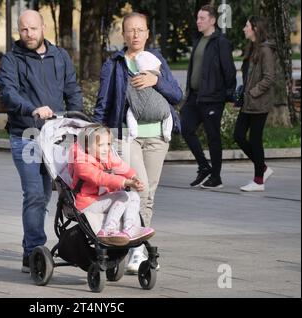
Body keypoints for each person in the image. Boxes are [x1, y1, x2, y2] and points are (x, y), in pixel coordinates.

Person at [93, 12, 182, 274]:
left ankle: (136, 247)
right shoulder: (114, 64)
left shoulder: (156, 60)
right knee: (139, 188)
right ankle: (129, 244)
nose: (135, 35)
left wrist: (157, 81)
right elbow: (104, 102)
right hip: (126, 135)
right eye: (130, 30)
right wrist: (94, 134)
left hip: (157, 136)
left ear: (147, 34)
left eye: (140, 30)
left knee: (149, 194)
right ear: (123, 34)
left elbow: (177, 95)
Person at [0, 10, 82, 273]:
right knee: (35, 194)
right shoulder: (12, 59)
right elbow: (8, 93)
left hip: (56, 135)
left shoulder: (60, 56)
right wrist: (32, 108)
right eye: (24, 30)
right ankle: (33, 250)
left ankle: (69, 244)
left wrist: (77, 123)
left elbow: (72, 89)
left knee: (56, 194)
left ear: (43, 27)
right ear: (18, 31)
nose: (29, 34)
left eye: (33, 29)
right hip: (26, 135)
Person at [180, 4, 237, 189]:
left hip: (213, 98)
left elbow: (229, 71)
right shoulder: (199, 40)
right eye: (198, 18)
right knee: (185, 128)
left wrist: (228, 95)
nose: (198, 21)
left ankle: (216, 177)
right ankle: (204, 166)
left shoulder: (220, 41)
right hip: (195, 97)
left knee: (213, 137)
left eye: (202, 18)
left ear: (212, 20)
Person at [69, 125, 155, 246]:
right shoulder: (81, 163)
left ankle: (130, 227)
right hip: (87, 203)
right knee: (122, 195)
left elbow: (122, 167)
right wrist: (125, 182)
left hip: (102, 198)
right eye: (101, 145)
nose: (106, 149)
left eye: (108, 144)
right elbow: (100, 178)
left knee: (133, 196)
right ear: (87, 147)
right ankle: (108, 230)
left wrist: (133, 178)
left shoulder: (107, 157)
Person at [234, 16, 276, 192]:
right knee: (238, 135)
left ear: (255, 29)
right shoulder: (253, 48)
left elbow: (269, 78)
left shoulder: (265, 50)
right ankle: (263, 168)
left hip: (259, 103)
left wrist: (252, 93)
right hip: (249, 102)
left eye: (247, 26)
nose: (244, 29)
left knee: (255, 140)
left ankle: (259, 180)